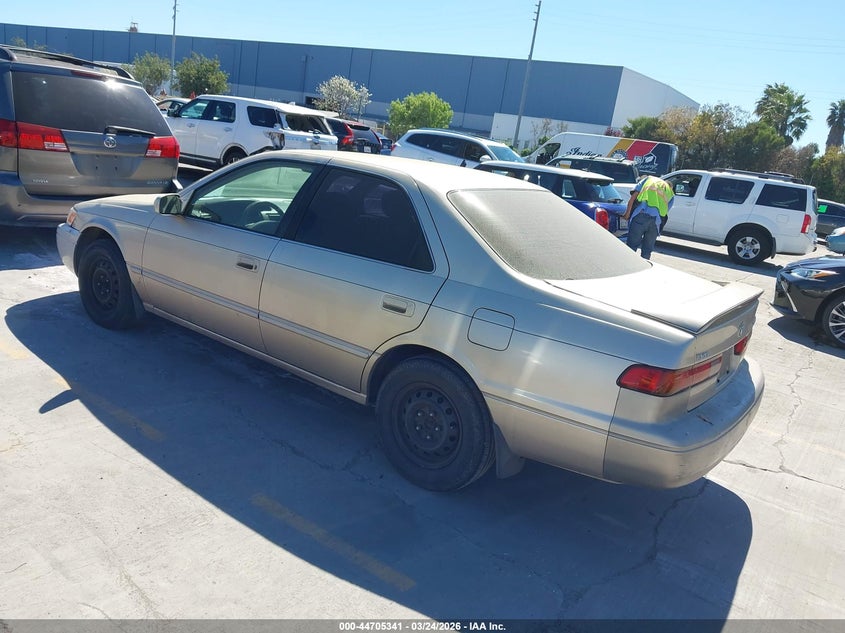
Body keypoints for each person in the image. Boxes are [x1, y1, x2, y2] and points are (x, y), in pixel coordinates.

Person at [623, 175, 674, 259]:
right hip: (656, 222)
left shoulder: (648, 179)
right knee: (647, 251)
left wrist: (627, 213)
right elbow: (665, 211)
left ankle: (628, 265)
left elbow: (633, 198)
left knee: (631, 247)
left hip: (641, 216)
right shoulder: (670, 192)